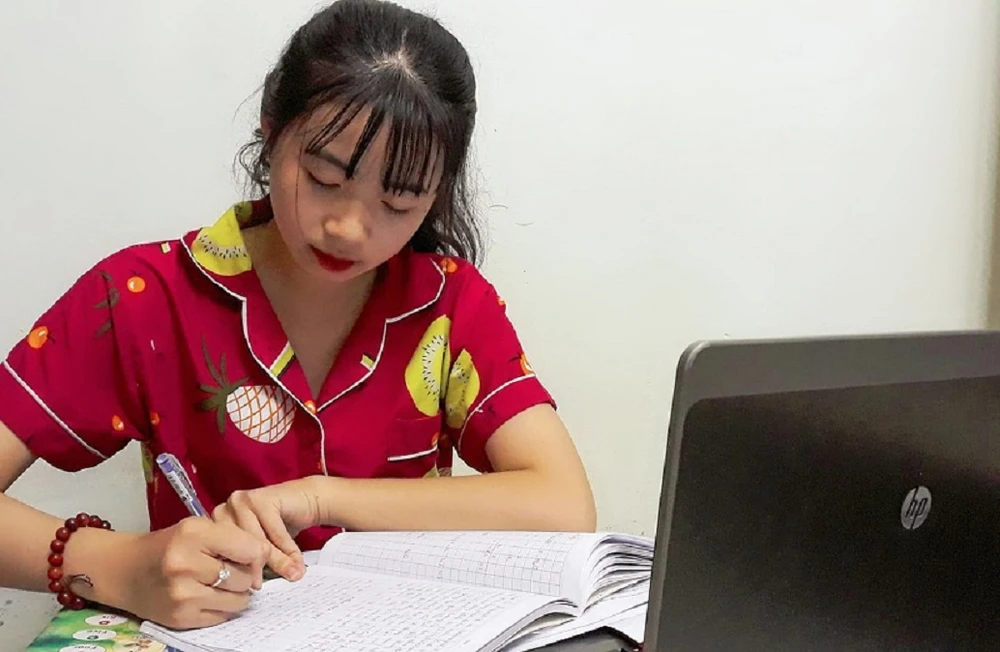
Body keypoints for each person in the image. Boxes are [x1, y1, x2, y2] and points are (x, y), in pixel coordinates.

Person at [0, 0, 595, 631]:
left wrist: (320, 498)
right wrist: (119, 566)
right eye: (322, 178)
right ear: (270, 129)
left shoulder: (450, 304)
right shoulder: (143, 295)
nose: (349, 227)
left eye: (398, 203)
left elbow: (562, 506)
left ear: (437, 194)